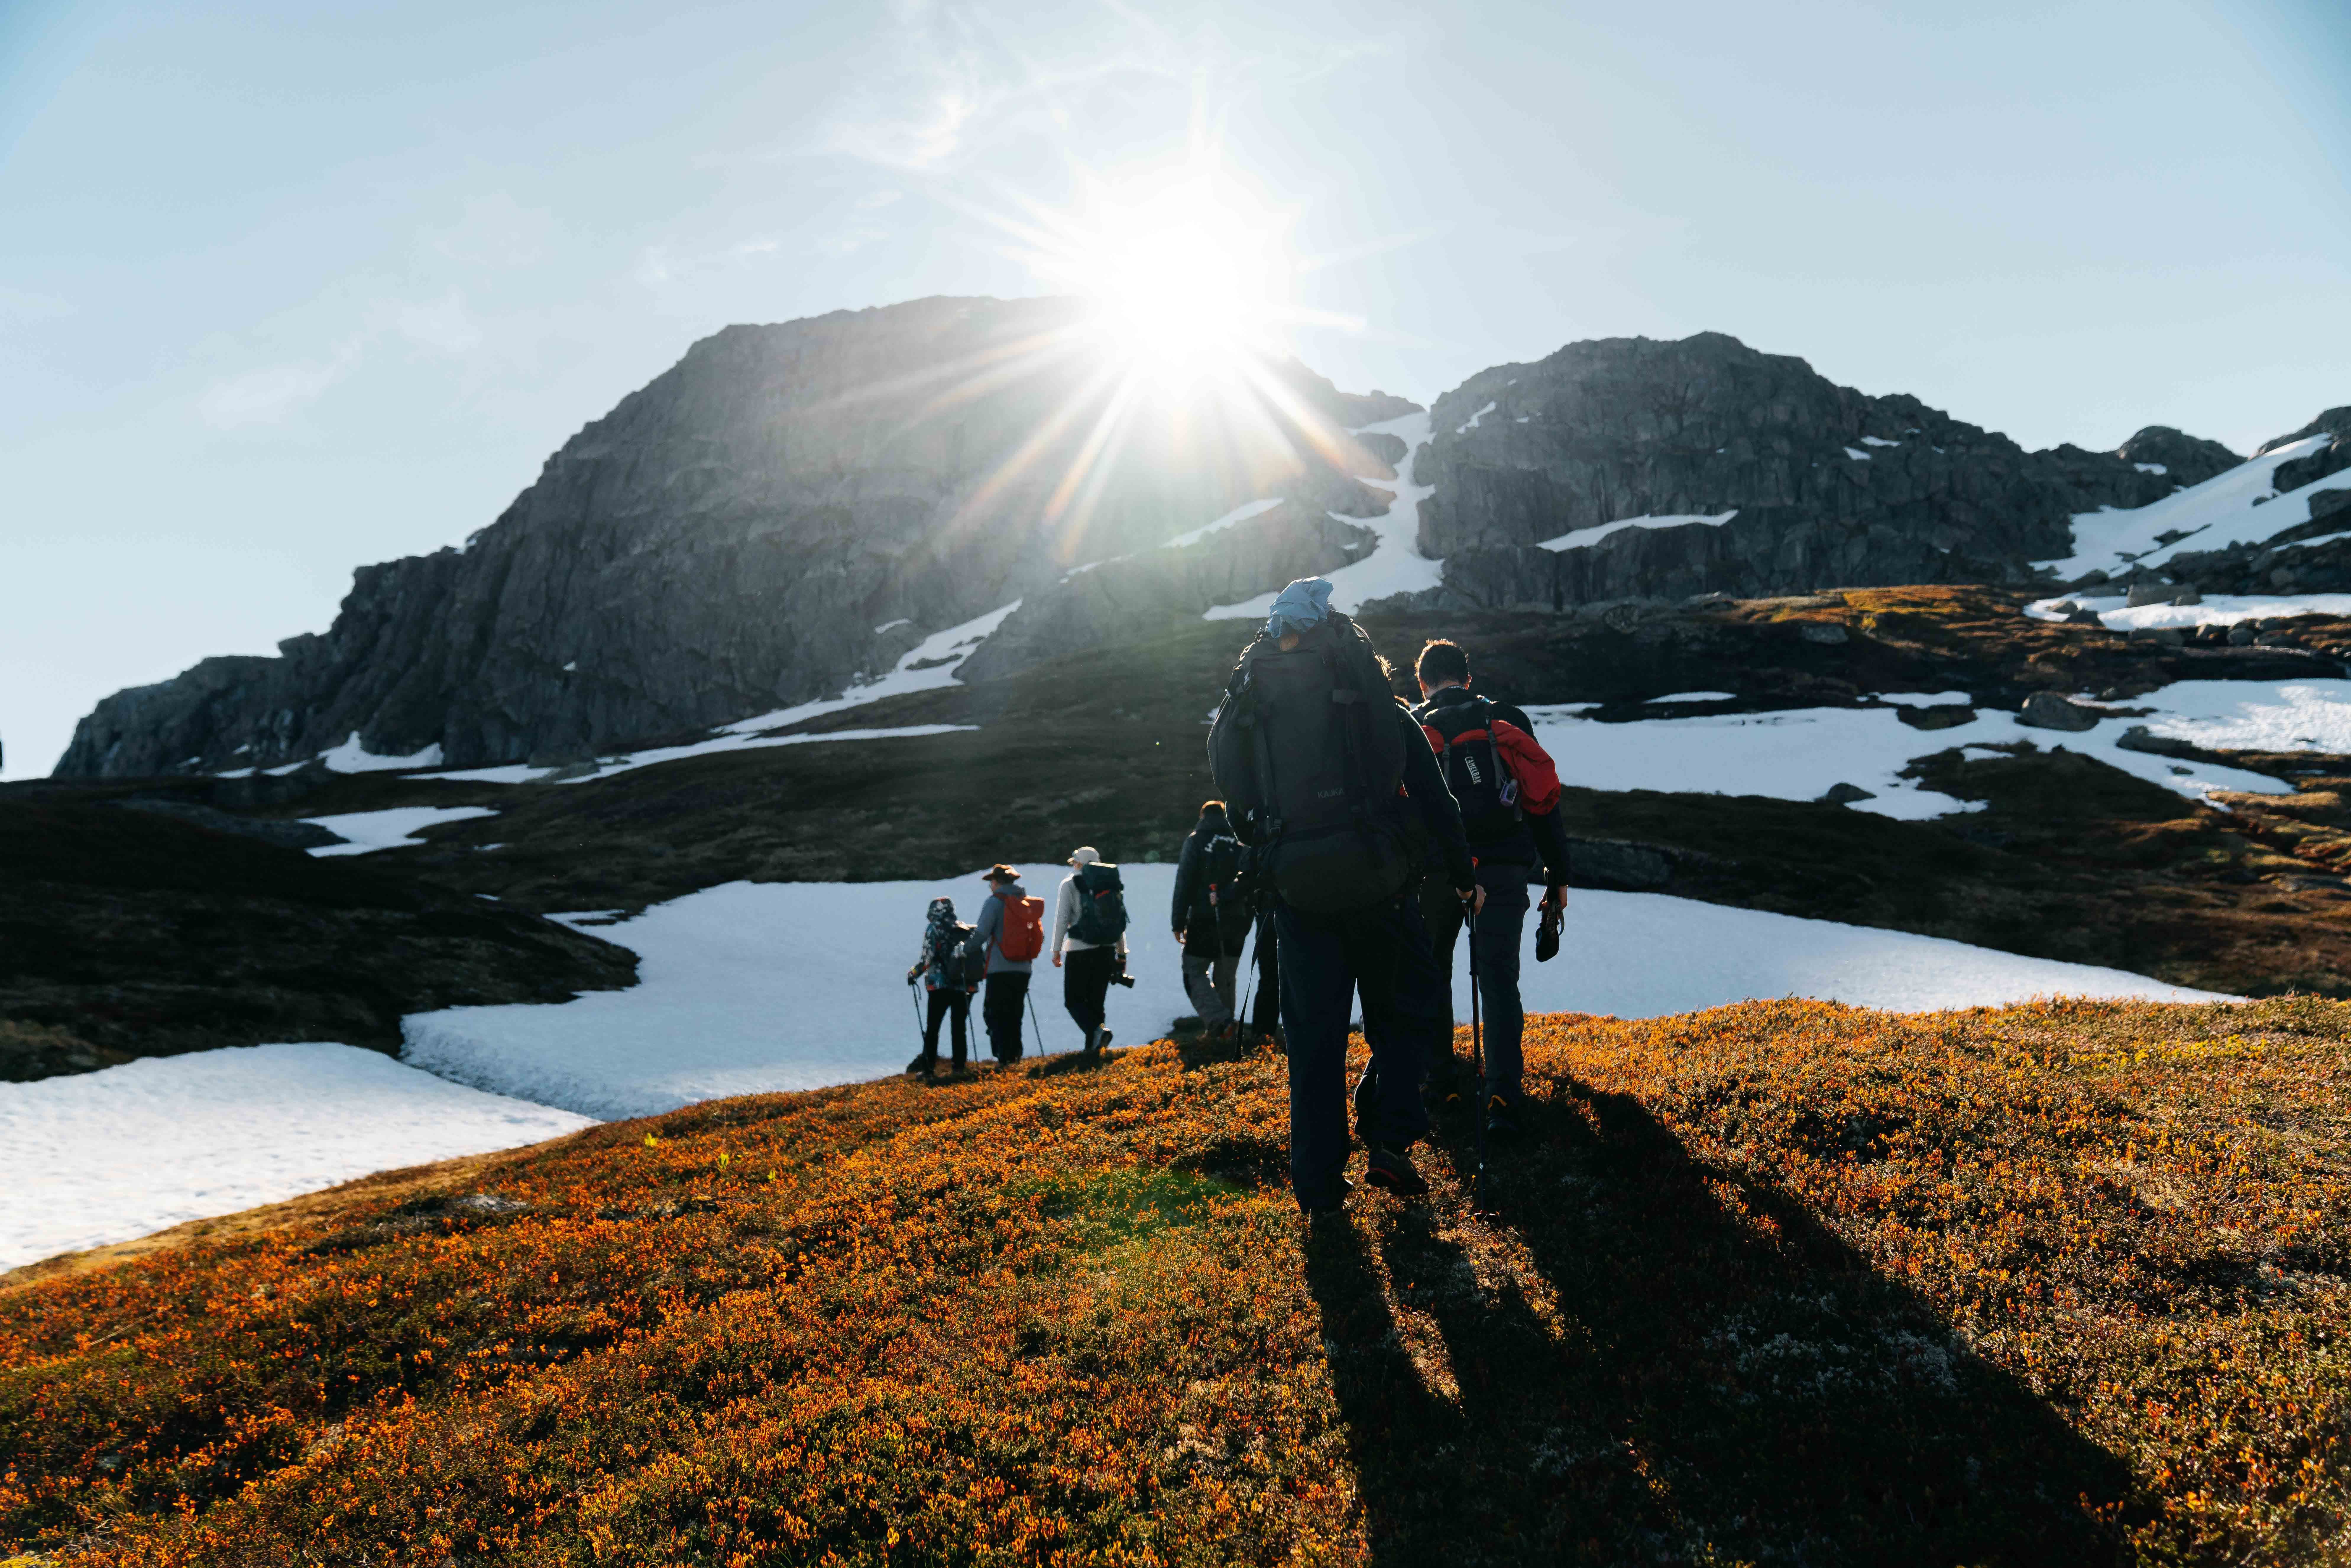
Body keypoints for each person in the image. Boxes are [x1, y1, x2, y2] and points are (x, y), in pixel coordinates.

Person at [1208, 577, 1480, 1214]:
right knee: (1406, 1012)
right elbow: (1435, 797)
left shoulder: (1255, 690)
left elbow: (1229, 779)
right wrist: (1462, 876)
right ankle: (1389, 1140)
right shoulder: (1367, 692)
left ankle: (1319, 1189)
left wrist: (1267, 842)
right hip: (1380, 883)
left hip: (1298, 891)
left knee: (1314, 1039)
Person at [1410, 638, 1572, 1137]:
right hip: (1503, 866)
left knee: (1433, 970)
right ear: (1468, 678)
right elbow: (1542, 802)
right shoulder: (1506, 719)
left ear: (1422, 682)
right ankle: (1503, 1091)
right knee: (1498, 977)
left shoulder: (1413, 725)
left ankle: (1444, 1082)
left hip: (1436, 871)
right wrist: (1558, 875)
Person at [1170, 800, 1249, 1039]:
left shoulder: (1196, 840)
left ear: (1203, 815)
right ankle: (1227, 1031)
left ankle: (1219, 1022)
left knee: (1193, 969)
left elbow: (1184, 882)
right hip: (1237, 919)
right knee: (1226, 975)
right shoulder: (1240, 842)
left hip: (1204, 918)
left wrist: (1178, 921)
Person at [1051, 846, 1129, 1054]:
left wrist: (1056, 949)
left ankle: (1096, 1034)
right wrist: (1122, 954)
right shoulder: (1111, 885)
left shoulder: (1070, 884)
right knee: (1097, 1002)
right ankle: (1093, 1050)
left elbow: (1062, 919)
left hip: (1079, 949)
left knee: (1073, 1000)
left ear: (1079, 864)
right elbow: (1118, 922)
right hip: (1106, 950)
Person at [965, 864, 1040, 1065]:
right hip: (1023, 968)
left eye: (992, 883)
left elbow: (982, 934)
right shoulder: (1024, 902)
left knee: (994, 1013)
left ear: (996, 883)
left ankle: (1004, 1057)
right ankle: (1014, 1055)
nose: (991, 886)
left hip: (999, 968)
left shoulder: (995, 902)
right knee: (1015, 1012)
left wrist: (964, 949)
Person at [905, 896, 976, 1075]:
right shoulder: (962, 928)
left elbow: (927, 959)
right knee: (959, 1027)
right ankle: (959, 1067)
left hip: (939, 986)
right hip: (961, 984)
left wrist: (914, 973)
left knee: (933, 1028)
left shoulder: (934, 928)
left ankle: (929, 1069)